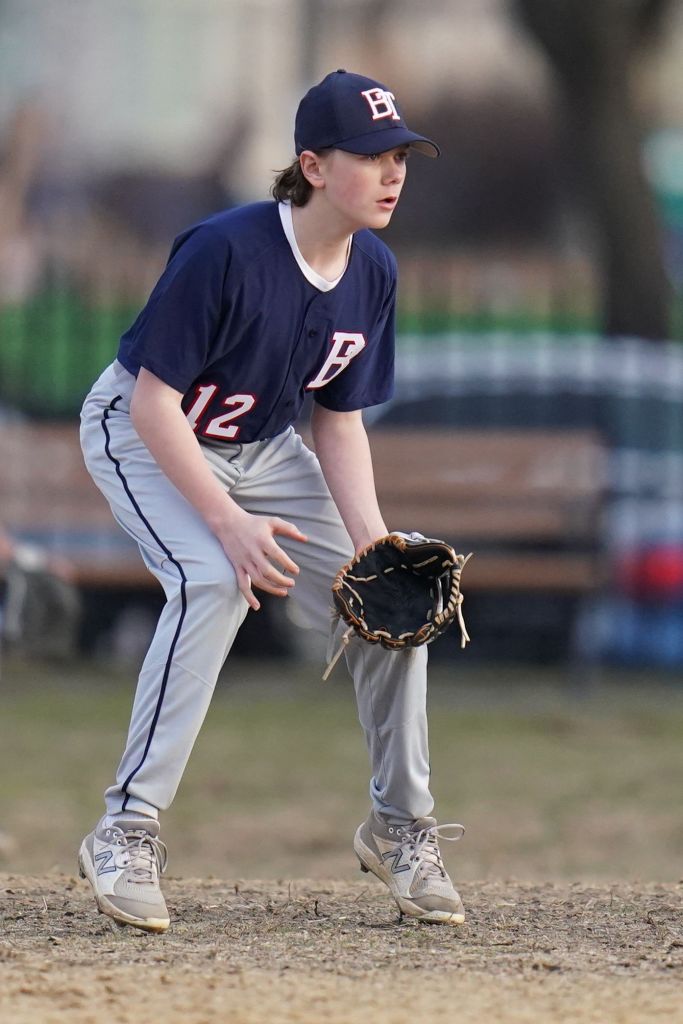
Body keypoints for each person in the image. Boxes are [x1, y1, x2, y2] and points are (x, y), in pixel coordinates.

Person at [77, 69, 465, 933]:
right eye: (370, 156)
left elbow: (337, 420)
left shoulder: (373, 270)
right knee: (212, 580)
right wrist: (227, 523)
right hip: (145, 432)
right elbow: (152, 405)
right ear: (312, 167)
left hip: (262, 450)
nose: (392, 173)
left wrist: (371, 545)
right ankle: (126, 828)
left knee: (391, 593)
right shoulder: (226, 249)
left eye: (401, 156)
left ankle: (400, 825)